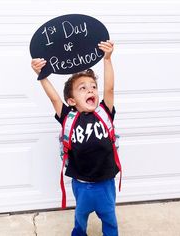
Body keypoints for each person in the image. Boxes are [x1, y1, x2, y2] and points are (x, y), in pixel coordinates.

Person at [31, 40, 121, 236]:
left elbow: (110, 89)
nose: (90, 90)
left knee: (110, 219)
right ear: (71, 101)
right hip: (81, 183)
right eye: (83, 88)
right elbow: (54, 98)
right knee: (80, 220)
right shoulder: (68, 117)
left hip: (106, 182)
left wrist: (107, 59)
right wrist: (41, 74)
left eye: (93, 87)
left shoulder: (105, 112)